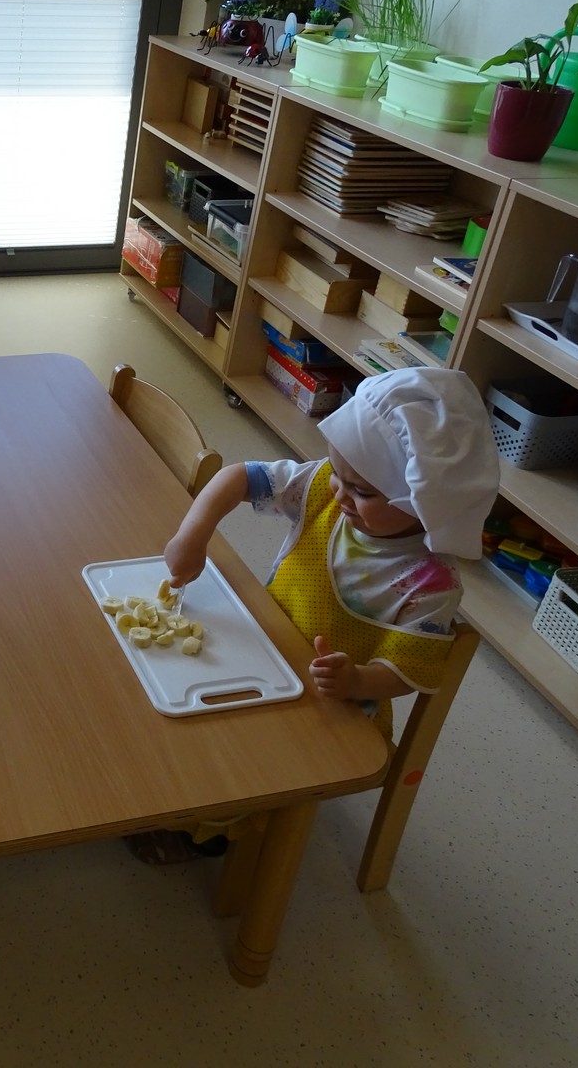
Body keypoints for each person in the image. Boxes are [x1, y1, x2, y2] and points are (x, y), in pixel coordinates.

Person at [136, 368, 500, 865]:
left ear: (426, 502)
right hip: (267, 653)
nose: (339, 493)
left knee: (237, 759)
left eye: (363, 491)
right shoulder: (327, 489)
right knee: (176, 701)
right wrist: (192, 535)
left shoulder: (429, 582)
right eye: (336, 473)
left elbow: (407, 671)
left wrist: (357, 680)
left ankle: (208, 831)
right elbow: (239, 477)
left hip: (335, 703)